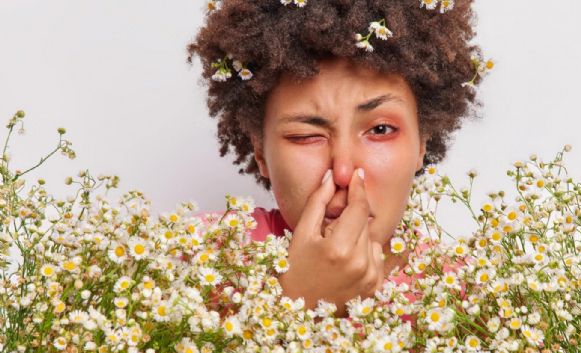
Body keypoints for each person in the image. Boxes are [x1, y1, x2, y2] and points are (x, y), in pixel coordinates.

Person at [186, 0, 483, 317]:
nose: (343, 172)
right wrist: (301, 301)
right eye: (305, 136)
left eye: (380, 130)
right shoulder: (196, 256)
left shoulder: (469, 297)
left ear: (422, 143)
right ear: (260, 151)